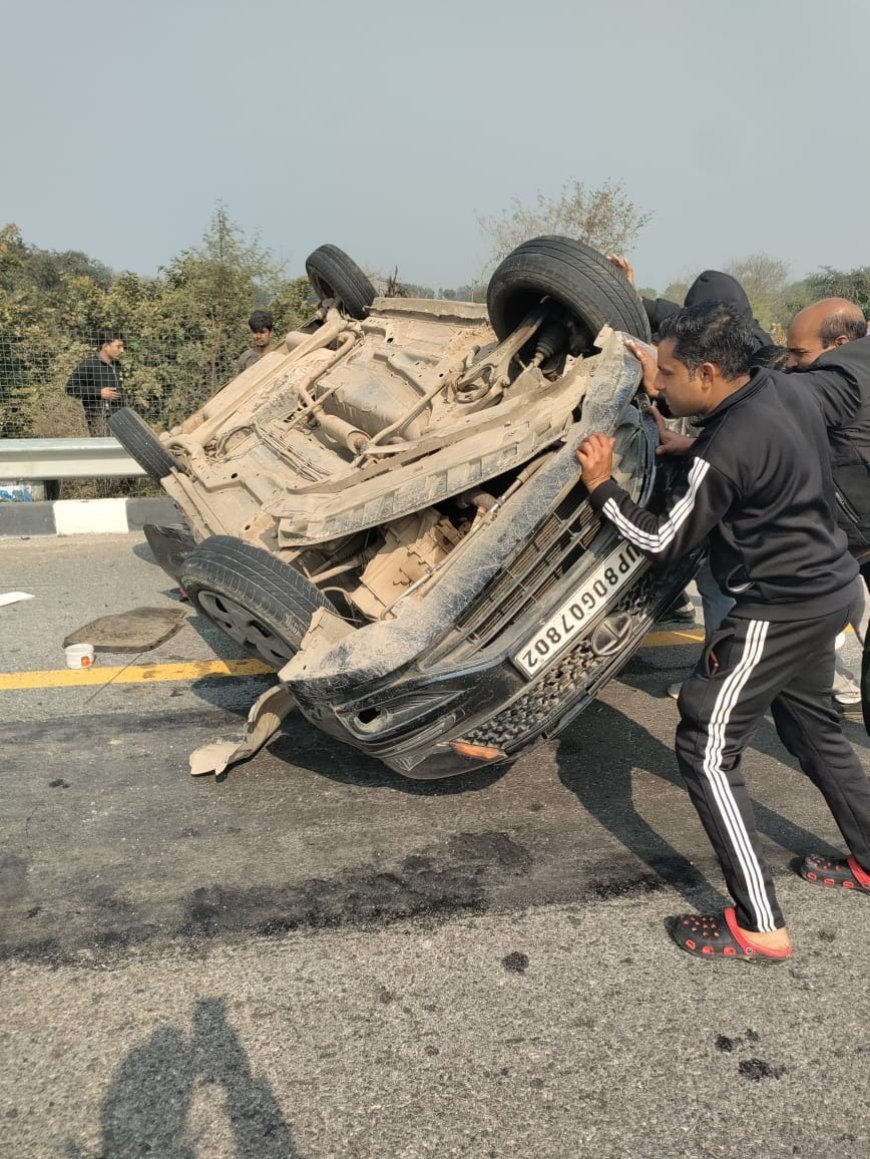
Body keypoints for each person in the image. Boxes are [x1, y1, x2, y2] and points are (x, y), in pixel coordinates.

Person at [577, 301, 870, 963]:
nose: (660, 385)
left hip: (779, 606)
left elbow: (660, 538)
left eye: (671, 373)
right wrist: (691, 447)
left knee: (706, 745)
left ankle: (759, 922)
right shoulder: (782, 391)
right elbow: (750, 461)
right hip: (829, 587)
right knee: (813, 729)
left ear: (709, 373)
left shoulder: (730, 441)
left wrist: (601, 485)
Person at [65, 329, 126, 435]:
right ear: (106, 346)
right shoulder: (89, 365)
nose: (122, 350)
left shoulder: (117, 365)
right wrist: (99, 393)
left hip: (119, 419)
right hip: (98, 420)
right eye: (118, 347)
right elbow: (70, 388)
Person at [236, 309, 275, 374]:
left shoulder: (277, 356)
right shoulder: (246, 358)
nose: (258, 336)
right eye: (255, 332)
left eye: (262, 332)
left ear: (270, 333)